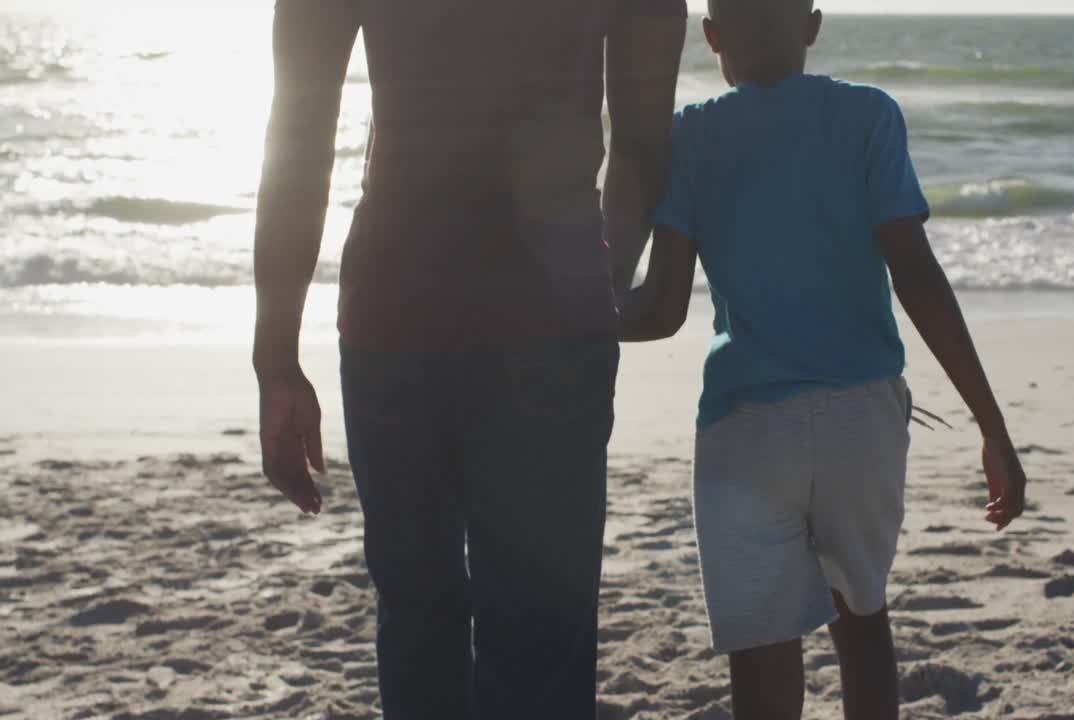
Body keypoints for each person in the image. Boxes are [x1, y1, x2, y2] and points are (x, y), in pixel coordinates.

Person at [252, 1, 686, 717]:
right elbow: (643, 143)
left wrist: (276, 361)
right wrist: (602, 282)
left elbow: (299, 140)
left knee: (419, 618)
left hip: (396, 310)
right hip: (550, 320)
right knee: (541, 639)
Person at [617, 1, 1029, 718]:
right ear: (812, 23)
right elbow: (916, 274)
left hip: (745, 431)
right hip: (861, 418)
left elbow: (661, 309)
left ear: (712, 36)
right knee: (862, 624)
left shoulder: (695, 134)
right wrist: (991, 425)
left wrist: (564, 318)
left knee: (762, 651)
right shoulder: (869, 116)